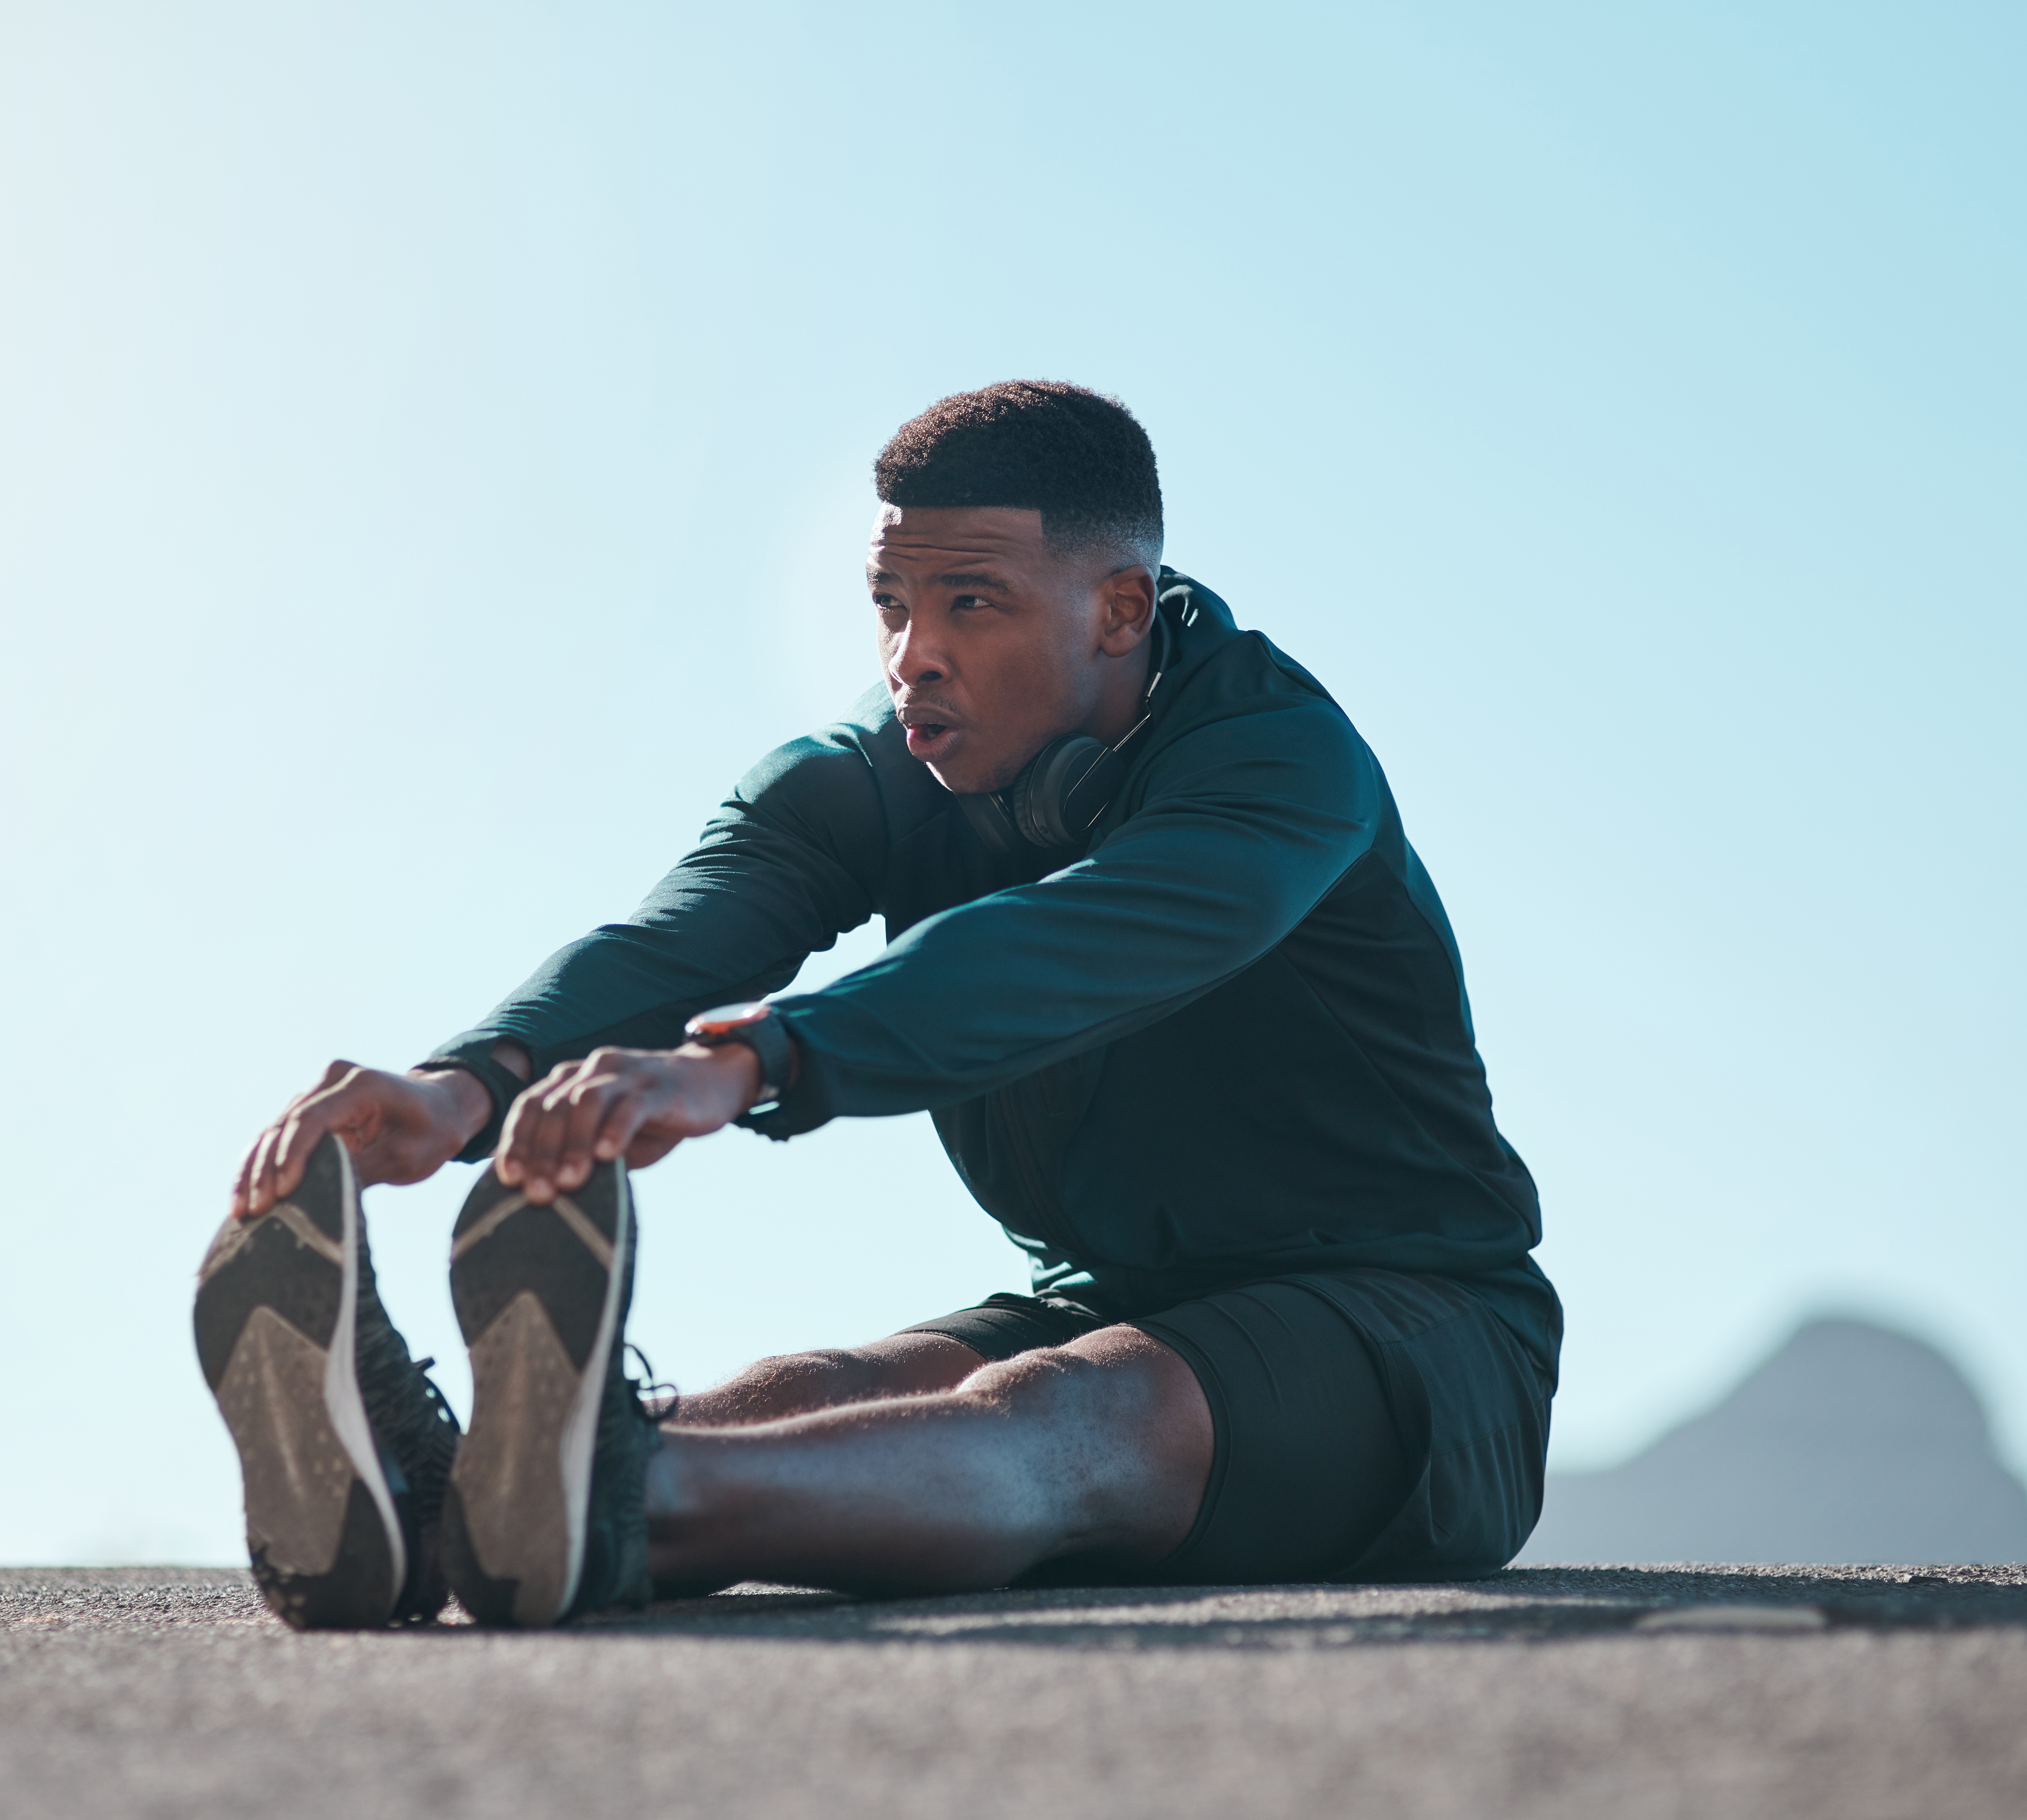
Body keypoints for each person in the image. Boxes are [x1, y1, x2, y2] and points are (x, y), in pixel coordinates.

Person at [190, 381, 1559, 1631]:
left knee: (1073, 1408)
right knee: (815, 1391)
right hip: (1116, 1290)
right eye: (890, 606)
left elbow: (1067, 949)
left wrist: (759, 1061)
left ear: (1120, 611)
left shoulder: (1277, 765)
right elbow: (688, 927)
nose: (914, 654)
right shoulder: (882, 767)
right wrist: (465, 1087)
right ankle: (455, 1501)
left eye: (971, 602)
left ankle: (590, 1504)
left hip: (1423, 1334)